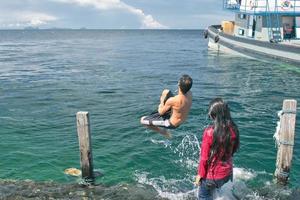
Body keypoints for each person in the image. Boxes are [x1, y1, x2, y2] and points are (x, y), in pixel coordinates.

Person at [195, 98, 240, 200]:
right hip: (228, 174)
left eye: (211, 114)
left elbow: (204, 158)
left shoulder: (209, 132)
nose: (209, 116)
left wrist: (200, 175)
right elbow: (233, 150)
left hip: (213, 177)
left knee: (203, 196)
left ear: (215, 116)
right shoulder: (234, 129)